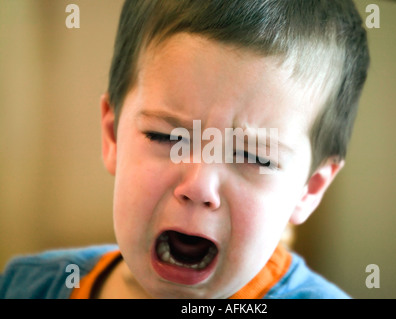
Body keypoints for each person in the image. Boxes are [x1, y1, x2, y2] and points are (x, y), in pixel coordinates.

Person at [0, 0, 369, 299]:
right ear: (112, 136)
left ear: (309, 189)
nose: (198, 185)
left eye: (254, 156)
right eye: (167, 137)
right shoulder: (30, 286)